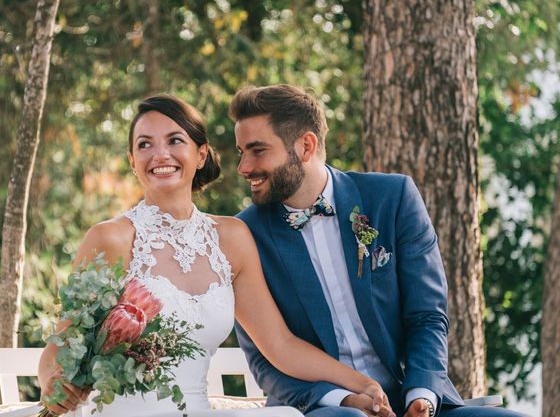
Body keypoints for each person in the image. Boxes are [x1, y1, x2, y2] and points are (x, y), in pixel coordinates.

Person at [38, 94, 395, 417]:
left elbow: (280, 345)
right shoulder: (110, 238)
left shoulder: (232, 238)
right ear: (133, 161)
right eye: (145, 145)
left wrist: (360, 384)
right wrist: (56, 386)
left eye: (175, 141)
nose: (160, 154)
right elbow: (56, 353)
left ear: (201, 154)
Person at [230, 84, 528, 417]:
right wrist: (345, 400)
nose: (244, 166)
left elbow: (427, 316)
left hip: (411, 400)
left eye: (257, 150)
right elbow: (265, 361)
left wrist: (422, 397)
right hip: (322, 409)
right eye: (241, 152)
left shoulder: (392, 197)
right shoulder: (245, 236)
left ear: (305, 145)